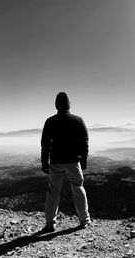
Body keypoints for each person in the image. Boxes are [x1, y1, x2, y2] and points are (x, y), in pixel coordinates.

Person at [41, 92, 91, 232]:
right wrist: (84, 160)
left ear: (56, 105)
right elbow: (85, 142)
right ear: (69, 105)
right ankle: (84, 220)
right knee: (78, 188)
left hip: (56, 162)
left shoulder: (50, 121)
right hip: (74, 162)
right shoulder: (78, 121)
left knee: (53, 192)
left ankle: (50, 224)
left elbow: (45, 144)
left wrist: (45, 162)